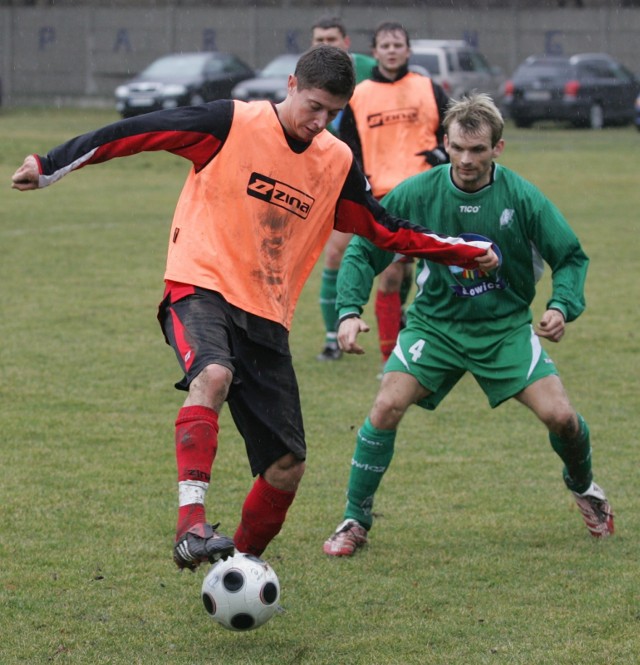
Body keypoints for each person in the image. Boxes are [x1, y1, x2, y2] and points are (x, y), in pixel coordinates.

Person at [12, 46, 498, 572]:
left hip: (267, 314)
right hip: (198, 286)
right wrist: (51, 165)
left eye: (331, 112)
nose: (319, 121)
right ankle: (190, 526)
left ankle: (239, 568)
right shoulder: (230, 122)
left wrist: (464, 249)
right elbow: (137, 132)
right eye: (312, 105)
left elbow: (384, 228)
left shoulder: (335, 162)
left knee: (287, 467)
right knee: (213, 374)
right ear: (290, 84)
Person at [323, 92, 614, 558]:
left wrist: (561, 306)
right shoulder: (419, 192)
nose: (466, 159)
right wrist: (349, 310)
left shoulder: (522, 197)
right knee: (385, 407)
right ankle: (355, 519)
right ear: (445, 142)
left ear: (498, 149)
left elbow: (571, 256)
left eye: (478, 150)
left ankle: (584, 488)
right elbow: (363, 248)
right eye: (458, 147)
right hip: (434, 327)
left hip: (503, 329)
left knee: (561, 417)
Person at [338, 21, 451, 367]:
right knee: (389, 273)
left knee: (430, 273)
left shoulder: (428, 88)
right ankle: (391, 360)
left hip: (429, 193)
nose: (391, 50)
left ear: (408, 50)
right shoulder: (359, 95)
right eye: (384, 45)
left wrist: (442, 155)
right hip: (385, 198)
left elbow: (453, 131)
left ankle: (434, 338)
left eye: (397, 44)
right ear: (374, 52)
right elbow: (347, 149)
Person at [310, 15, 377, 361]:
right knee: (335, 253)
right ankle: (332, 336)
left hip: (382, 176)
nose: (326, 44)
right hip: (338, 178)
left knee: (399, 263)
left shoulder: (370, 71)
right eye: (319, 38)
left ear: (346, 43)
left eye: (332, 38)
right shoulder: (309, 76)